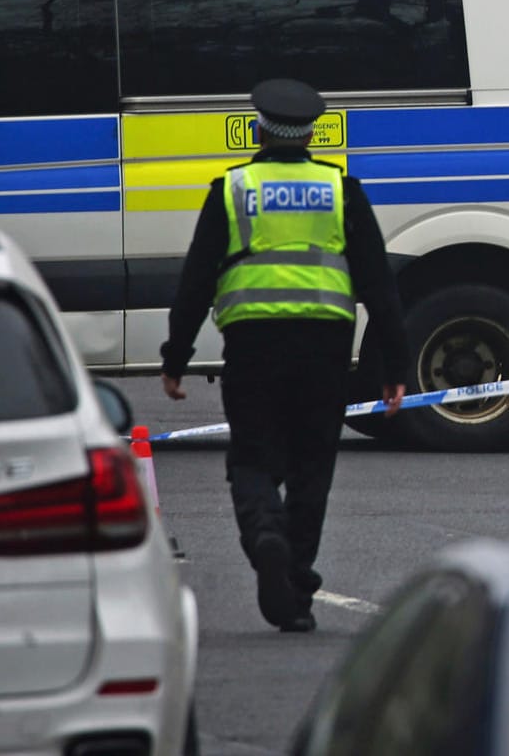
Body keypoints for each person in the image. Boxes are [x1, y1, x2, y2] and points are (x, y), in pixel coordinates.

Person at [160, 79, 410, 633]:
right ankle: (295, 587)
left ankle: (266, 537)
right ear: (312, 135)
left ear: (259, 130)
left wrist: (175, 358)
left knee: (252, 460)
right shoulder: (340, 189)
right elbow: (380, 287)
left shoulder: (233, 189)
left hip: (252, 348)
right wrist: (396, 366)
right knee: (311, 468)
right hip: (324, 350)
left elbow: (196, 282)